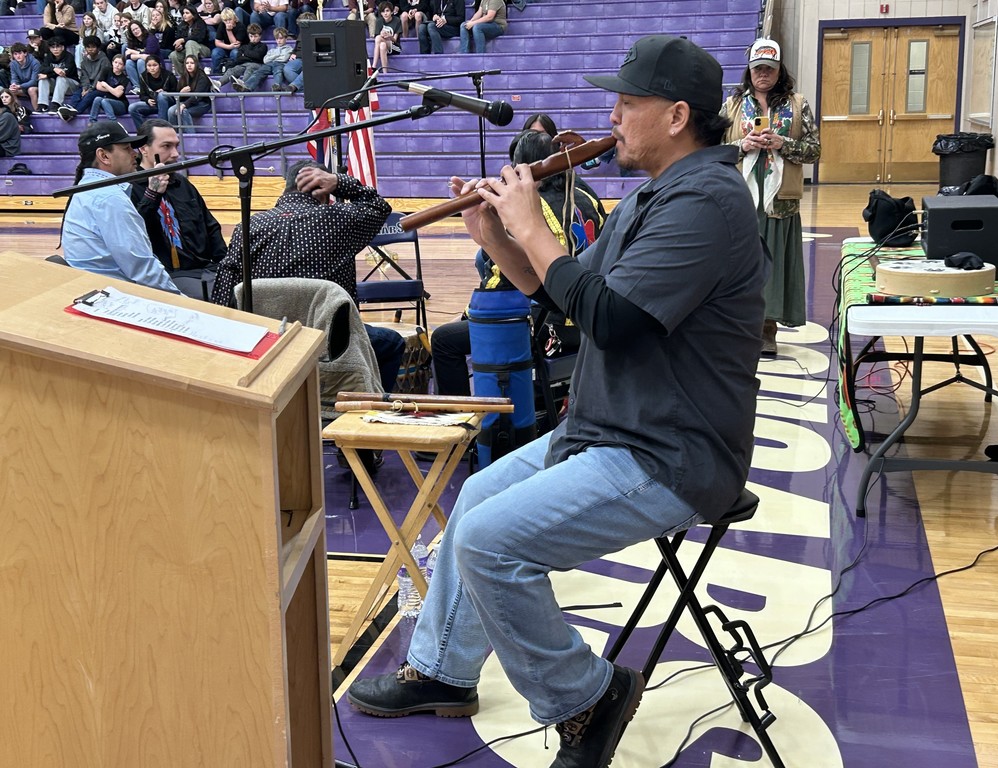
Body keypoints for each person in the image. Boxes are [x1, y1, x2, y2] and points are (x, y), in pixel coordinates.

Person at [344, 35, 767, 768]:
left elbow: (612, 319)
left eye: (627, 103)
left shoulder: (709, 203)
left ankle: (587, 697)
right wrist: (500, 235)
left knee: (488, 543)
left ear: (674, 116)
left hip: (673, 450)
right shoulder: (656, 195)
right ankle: (442, 670)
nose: (613, 116)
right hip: (614, 426)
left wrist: (534, 221)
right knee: (476, 496)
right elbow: (565, 293)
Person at [430, 129, 606, 398]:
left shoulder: (526, 207)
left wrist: (468, 314)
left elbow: (502, 281)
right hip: (591, 322)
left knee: (443, 340)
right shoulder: (588, 197)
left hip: (552, 329)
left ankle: (463, 423)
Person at [209, 160, 407, 392]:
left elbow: (224, 289)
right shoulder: (339, 219)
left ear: (287, 187)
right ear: (324, 190)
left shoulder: (249, 226)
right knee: (392, 343)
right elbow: (379, 206)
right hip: (330, 346)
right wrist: (340, 183)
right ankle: (367, 405)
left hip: (266, 344)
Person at [722, 37, 820, 356]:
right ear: (749, 71)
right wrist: (743, 146)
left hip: (780, 201)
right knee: (740, 266)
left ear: (780, 71)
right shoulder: (732, 106)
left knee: (774, 268)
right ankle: (737, 328)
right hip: (741, 200)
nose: (763, 74)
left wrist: (783, 144)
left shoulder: (797, 103)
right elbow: (715, 150)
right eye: (757, 68)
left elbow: (814, 151)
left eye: (769, 68)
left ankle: (767, 330)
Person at [62, 121, 182, 294]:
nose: (134, 154)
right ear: (104, 156)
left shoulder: (90, 188)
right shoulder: (108, 198)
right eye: (126, 148)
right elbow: (143, 270)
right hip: (115, 297)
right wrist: (184, 301)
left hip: (96, 290)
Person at [130, 119, 227, 298]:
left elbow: (210, 226)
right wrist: (152, 194)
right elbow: (133, 233)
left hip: (204, 270)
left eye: (176, 146)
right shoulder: (129, 187)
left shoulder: (182, 183)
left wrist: (227, 265)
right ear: (143, 148)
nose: (175, 154)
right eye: (166, 146)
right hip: (164, 276)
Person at [57, 35, 110, 121]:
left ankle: (75, 111)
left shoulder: (104, 60)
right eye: (88, 47)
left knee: (89, 96)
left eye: (93, 47)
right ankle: (71, 107)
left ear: (98, 48)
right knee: (77, 93)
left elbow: (100, 77)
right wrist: (85, 88)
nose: (90, 49)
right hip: (88, 85)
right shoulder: (84, 61)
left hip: (101, 87)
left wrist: (90, 89)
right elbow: (84, 77)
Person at [234, 25, 290, 92]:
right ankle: (247, 87)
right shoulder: (272, 50)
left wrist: (272, 57)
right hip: (269, 64)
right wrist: (277, 55)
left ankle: (277, 85)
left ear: (286, 39)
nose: (279, 40)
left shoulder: (289, 49)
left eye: (281, 38)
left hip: (280, 64)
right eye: (277, 38)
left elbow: (284, 58)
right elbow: (265, 60)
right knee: (258, 72)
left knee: (278, 71)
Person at [128, 55, 176, 128]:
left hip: (167, 103)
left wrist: (165, 92)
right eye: (149, 65)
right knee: (132, 108)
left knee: (161, 95)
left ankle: (161, 127)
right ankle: (143, 131)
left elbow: (175, 92)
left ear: (159, 65)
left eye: (154, 65)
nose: (152, 68)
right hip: (153, 103)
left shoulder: (168, 75)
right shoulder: (143, 76)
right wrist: (147, 100)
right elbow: (142, 95)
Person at [166, 53, 211, 132]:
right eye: (187, 63)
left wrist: (184, 105)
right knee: (170, 111)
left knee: (184, 111)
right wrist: (181, 93)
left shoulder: (202, 77)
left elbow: (198, 96)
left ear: (196, 64)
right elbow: (178, 96)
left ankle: (191, 138)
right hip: (188, 103)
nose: (189, 65)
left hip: (203, 104)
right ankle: (174, 135)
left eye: (192, 63)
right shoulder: (184, 76)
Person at [37, 33, 79, 113]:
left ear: (62, 47)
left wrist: (48, 75)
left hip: (72, 85)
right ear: (49, 48)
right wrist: (54, 69)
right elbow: (42, 69)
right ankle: (42, 105)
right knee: (42, 80)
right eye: (53, 47)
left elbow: (65, 73)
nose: (55, 49)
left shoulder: (69, 57)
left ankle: (56, 105)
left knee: (60, 78)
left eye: (58, 47)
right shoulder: (48, 57)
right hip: (57, 85)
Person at [217, 23, 265, 90]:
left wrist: (245, 54)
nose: (253, 39)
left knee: (250, 67)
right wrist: (251, 56)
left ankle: (243, 84)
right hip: (244, 64)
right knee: (233, 70)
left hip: (257, 65)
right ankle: (218, 83)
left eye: (255, 36)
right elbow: (239, 58)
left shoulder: (263, 46)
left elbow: (258, 56)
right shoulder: (244, 46)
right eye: (251, 36)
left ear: (260, 36)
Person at [169, 5, 210, 77]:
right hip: (187, 49)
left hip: (203, 49)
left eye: (187, 13)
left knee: (190, 43)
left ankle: (193, 74)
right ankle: (184, 77)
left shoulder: (200, 23)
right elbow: (178, 39)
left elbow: (199, 38)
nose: (184, 15)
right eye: (183, 13)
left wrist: (183, 40)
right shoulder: (181, 25)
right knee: (173, 55)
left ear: (193, 15)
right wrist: (179, 47)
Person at [87, 52, 130, 121]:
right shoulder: (106, 70)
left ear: (123, 66)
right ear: (112, 62)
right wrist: (114, 90)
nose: (117, 65)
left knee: (104, 101)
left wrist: (106, 85)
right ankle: (92, 122)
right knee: (97, 99)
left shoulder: (124, 79)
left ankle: (113, 123)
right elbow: (98, 86)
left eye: (120, 64)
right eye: (115, 62)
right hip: (108, 101)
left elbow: (118, 94)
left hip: (121, 105)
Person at [123, 19, 159, 90]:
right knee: (128, 63)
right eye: (133, 30)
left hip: (155, 62)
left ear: (141, 27)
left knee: (140, 61)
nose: (135, 31)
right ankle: (137, 87)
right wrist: (141, 55)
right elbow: (128, 56)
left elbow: (149, 54)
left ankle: (145, 86)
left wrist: (134, 52)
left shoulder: (150, 38)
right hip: (140, 61)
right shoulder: (132, 41)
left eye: (136, 28)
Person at [370, 2, 401, 73]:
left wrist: (389, 36)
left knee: (378, 38)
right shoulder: (379, 21)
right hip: (384, 45)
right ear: (381, 13)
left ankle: (373, 66)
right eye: (383, 11)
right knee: (382, 45)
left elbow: (395, 40)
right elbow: (377, 39)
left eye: (387, 11)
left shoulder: (397, 20)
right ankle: (385, 72)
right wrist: (382, 35)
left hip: (395, 47)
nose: (385, 13)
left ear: (392, 12)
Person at [9, 43, 41, 112]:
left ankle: (37, 111)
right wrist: (13, 85)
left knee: (31, 90)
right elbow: (14, 77)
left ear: (25, 53)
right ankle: (19, 111)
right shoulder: (13, 64)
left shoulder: (35, 63)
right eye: (15, 54)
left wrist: (20, 86)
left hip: (37, 86)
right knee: (11, 91)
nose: (18, 56)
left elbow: (34, 81)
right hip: (23, 87)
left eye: (20, 53)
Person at [209, 7, 241, 74]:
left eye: (230, 19)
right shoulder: (222, 25)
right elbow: (217, 42)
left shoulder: (240, 26)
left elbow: (235, 44)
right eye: (225, 20)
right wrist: (228, 47)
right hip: (227, 47)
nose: (228, 22)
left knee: (235, 53)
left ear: (234, 18)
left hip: (239, 49)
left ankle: (234, 73)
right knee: (215, 52)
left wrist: (229, 30)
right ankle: (216, 73)